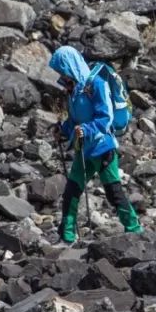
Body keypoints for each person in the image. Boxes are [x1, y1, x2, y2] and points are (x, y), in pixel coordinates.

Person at [49, 45, 143, 243]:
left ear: (69, 66)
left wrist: (87, 129)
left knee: (113, 192)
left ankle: (135, 230)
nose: (60, 75)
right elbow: (74, 120)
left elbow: (105, 118)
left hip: (103, 148)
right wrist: (63, 130)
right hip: (83, 149)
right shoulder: (73, 88)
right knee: (72, 192)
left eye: (61, 69)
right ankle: (66, 235)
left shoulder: (96, 85)